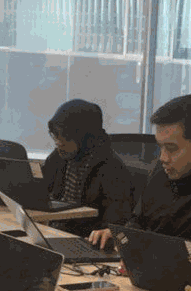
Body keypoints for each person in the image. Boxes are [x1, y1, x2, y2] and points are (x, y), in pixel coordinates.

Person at [87, 94, 191, 249]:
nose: (162, 158)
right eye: (160, 147)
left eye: (171, 148)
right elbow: (140, 221)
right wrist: (120, 235)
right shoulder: (165, 170)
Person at [41, 99, 134, 236]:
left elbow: (116, 221)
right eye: (56, 136)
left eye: (65, 137)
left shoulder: (111, 168)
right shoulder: (60, 156)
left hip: (84, 237)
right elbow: (40, 189)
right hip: (55, 230)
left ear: (84, 137)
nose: (58, 143)